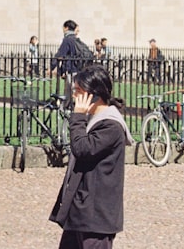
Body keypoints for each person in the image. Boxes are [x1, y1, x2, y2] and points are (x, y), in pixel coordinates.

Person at [49, 64, 134, 248]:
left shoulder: (110, 126)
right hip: (80, 212)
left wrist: (77, 117)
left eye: (78, 91)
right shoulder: (94, 120)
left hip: (96, 218)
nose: (74, 96)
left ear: (94, 95)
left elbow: (81, 148)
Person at [50, 20, 84, 104]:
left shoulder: (67, 40)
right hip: (78, 68)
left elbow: (60, 54)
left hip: (71, 69)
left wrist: (52, 67)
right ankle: (65, 107)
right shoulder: (76, 40)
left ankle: (75, 108)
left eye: (63, 28)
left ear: (66, 28)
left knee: (72, 90)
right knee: (70, 89)